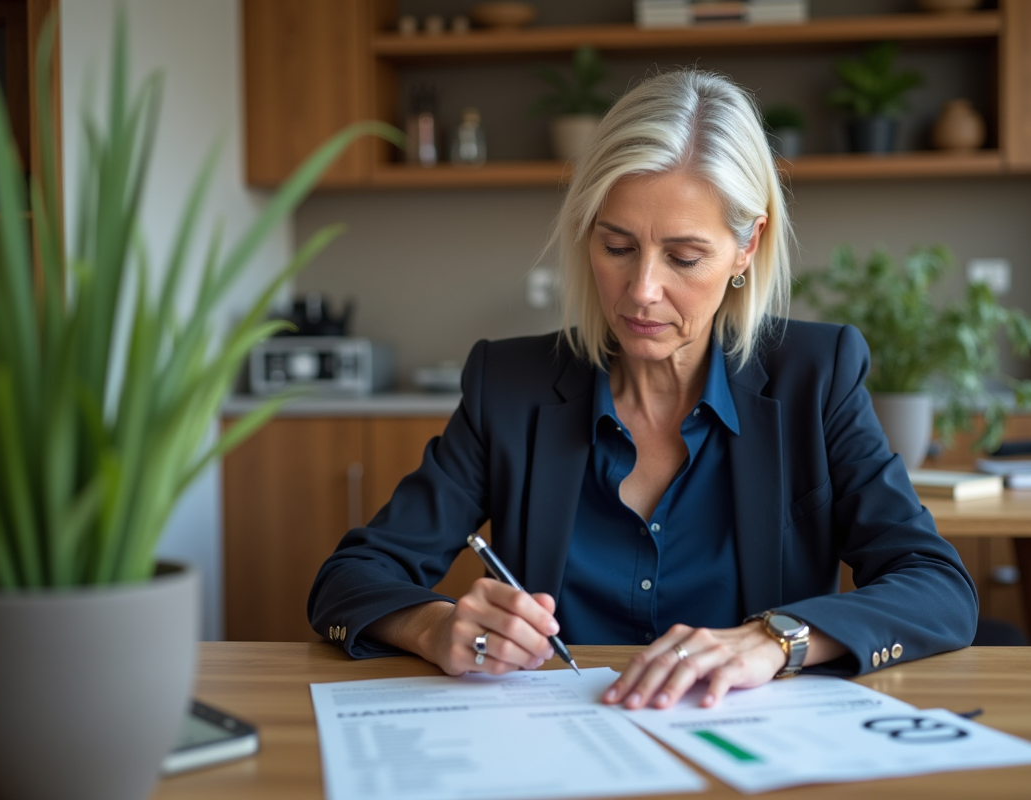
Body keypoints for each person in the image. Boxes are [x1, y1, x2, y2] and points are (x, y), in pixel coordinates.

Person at [308, 70, 977, 710]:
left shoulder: (817, 376)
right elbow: (348, 580)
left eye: (684, 257)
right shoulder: (508, 387)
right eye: (617, 246)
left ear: (747, 248)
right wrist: (434, 625)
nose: (642, 291)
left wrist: (776, 640)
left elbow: (937, 588)